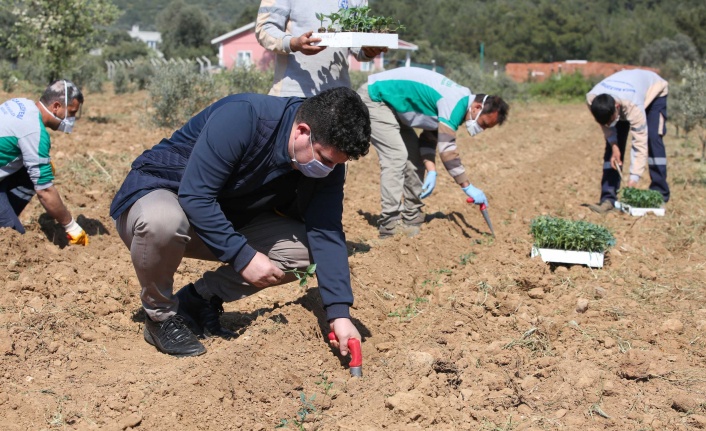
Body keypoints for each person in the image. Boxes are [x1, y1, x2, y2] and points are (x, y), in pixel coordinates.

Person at [109, 87, 371, 357]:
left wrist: (339, 313)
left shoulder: (327, 163)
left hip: (221, 215)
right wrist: (242, 256)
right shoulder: (245, 117)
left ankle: (199, 299)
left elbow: (326, 231)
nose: (326, 169)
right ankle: (159, 317)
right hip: (164, 197)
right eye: (324, 159)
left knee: (305, 251)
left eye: (336, 164)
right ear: (302, 131)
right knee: (162, 221)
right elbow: (196, 195)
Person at [356, 67, 509, 238]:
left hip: (395, 108)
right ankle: (390, 224)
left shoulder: (458, 104)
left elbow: (429, 140)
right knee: (396, 155)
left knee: (414, 158)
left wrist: (432, 170)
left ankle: (411, 217)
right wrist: (467, 186)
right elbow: (447, 150)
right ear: (477, 107)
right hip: (376, 98)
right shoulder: (455, 102)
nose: (482, 129)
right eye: (484, 124)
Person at [0, 80, 88, 245]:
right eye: (71, 113)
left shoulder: (21, 104)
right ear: (56, 106)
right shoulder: (35, 132)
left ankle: (6, 215)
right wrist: (71, 226)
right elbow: (45, 191)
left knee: (41, 170)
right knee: (14, 243)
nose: (72, 119)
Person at [255, 0, 386, 97]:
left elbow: (357, 45)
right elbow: (265, 29)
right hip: (293, 95)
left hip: (338, 96)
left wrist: (369, 50)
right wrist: (294, 43)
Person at [586, 69, 669, 213]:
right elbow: (605, 126)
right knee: (612, 150)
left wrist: (634, 178)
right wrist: (614, 145)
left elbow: (639, 143)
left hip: (653, 93)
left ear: (616, 108)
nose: (608, 125)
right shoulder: (592, 99)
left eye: (610, 121)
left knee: (652, 139)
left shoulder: (633, 106)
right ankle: (608, 198)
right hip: (625, 95)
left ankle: (659, 194)